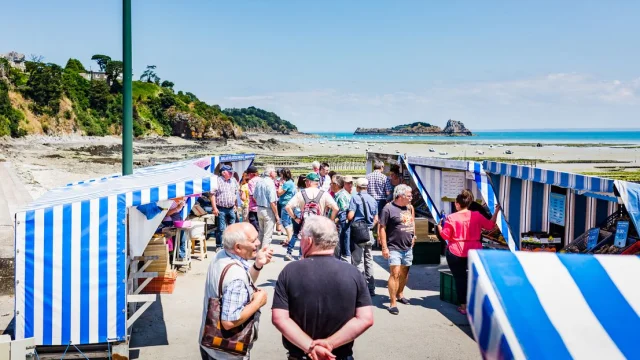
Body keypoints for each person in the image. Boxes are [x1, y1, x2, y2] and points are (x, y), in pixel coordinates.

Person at [272, 216, 374, 360]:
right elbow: (365, 318)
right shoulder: (353, 273)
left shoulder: (289, 272)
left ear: (309, 241)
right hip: (339, 355)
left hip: (301, 355)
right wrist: (329, 344)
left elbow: (279, 318)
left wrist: (310, 346)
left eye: (302, 238)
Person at [199, 223, 274, 360]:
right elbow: (229, 322)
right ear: (238, 247)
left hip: (209, 343)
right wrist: (258, 302)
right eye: (253, 241)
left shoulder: (221, 255)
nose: (258, 243)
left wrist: (257, 265)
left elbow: (240, 284)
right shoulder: (236, 276)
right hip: (226, 353)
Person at [437, 189, 499, 315]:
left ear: (457, 204)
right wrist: (496, 211)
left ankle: (464, 307)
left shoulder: (451, 218)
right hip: (475, 251)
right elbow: (490, 225)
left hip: (455, 251)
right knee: (476, 278)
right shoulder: (476, 215)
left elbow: (445, 236)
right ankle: (479, 304)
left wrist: (439, 227)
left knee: (460, 279)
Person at [379, 184, 415, 315]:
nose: (411, 198)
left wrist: (414, 235)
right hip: (394, 246)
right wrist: (384, 247)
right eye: (409, 195)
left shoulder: (409, 207)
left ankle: (400, 294)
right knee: (395, 274)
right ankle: (392, 302)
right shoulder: (388, 209)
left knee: (404, 273)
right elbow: (382, 228)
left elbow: (412, 221)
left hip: (407, 246)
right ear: (400, 196)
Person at [347, 178, 378, 297]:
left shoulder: (355, 198)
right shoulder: (373, 199)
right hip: (369, 232)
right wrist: (369, 226)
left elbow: (350, 216)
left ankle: (360, 288)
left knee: (358, 260)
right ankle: (371, 288)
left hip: (358, 232)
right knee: (369, 260)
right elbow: (376, 219)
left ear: (357, 187)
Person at [211, 165, 239, 250]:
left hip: (231, 208)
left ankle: (231, 245)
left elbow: (234, 193)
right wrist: (214, 208)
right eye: (229, 172)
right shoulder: (217, 181)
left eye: (231, 172)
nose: (231, 173)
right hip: (221, 208)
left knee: (232, 228)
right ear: (223, 173)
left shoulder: (233, 180)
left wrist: (235, 205)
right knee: (221, 228)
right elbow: (212, 195)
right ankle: (219, 246)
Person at [253, 166, 281, 247]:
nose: (275, 173)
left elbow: (254, 197)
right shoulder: (270, 183)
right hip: (268, 209)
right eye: (274, 171)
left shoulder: (259, 182)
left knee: (261, 232)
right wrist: (276, 215)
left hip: (259, 208)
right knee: (267, 234)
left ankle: (258, 252)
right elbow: (272, 202)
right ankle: (264, 255)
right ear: (271, 173)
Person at [283, 175, 307, 261]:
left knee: (295, 233)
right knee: (303, 235)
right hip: (303, 213)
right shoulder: (306, 192)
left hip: (294, 212)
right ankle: (301, 254)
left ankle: (289, 252)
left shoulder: (295, 190)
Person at [331, 175, 352, 262]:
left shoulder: (341, 196)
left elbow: (344, 212)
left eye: (331, 183)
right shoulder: (340, 194)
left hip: (340, 228)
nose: (330, 185)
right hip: (340, 227)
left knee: (339, 254)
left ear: (336, 184)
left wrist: (335, 221)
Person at [277, 168, 296, 245]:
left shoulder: (287, 183)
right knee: (288, 222)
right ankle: (289, 238)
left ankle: (290, 239)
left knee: (285, 222)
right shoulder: (291, 182)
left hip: (285, 204)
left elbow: (279, 193)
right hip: (287, 203)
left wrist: (280, 184)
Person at [246, 166, 261, 232]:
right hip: (262, 207)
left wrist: (257, 202)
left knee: (255, 227)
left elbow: (253, 196)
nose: (247, 175)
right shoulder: (261, 180)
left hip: (254, 208)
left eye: (248, 174)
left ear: (251, 174)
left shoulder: (251, 182)